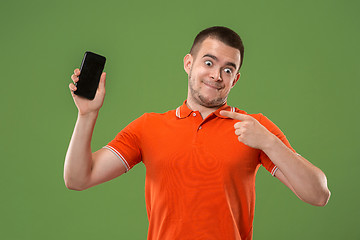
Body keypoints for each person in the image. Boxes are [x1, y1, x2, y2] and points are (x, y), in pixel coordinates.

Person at [64, 26, 330, 240]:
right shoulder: (148, 127)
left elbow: (319, 194)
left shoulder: (254, 128)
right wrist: (87, 115)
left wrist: (269, 142)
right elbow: (78, 178)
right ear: (189, 63)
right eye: (208, 62)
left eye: (228, 69)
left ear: (235, 79)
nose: (217, 75)